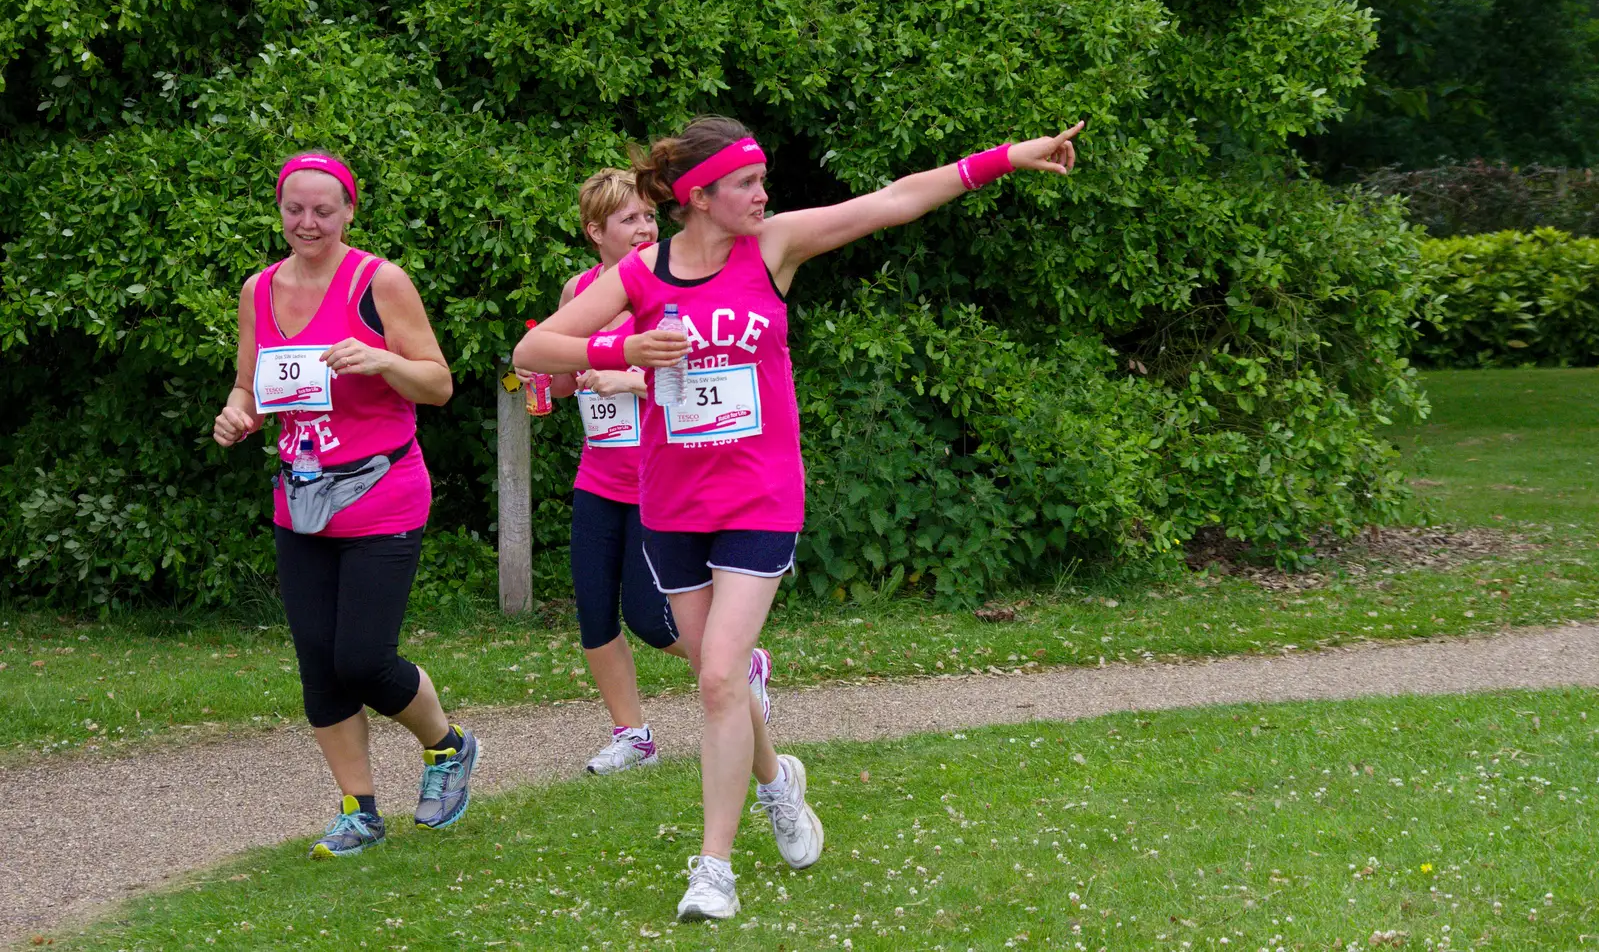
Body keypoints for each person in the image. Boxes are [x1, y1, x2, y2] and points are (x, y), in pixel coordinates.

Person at [514, 115, 1083, 921]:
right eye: (746, 182)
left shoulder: (773, 247)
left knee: (718, 674)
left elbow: (897, 200)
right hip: (673, 504)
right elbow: (534, 351)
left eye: (761, 179)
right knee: (715, 674)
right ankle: (779, 783)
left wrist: (1006, 159)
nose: (763, 192)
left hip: (759, 498)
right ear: (700, 196)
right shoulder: (643, 275)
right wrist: (622, 353)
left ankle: (712, 869)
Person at [212, 150, 480, 859]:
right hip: (301, 498)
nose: (308, 223)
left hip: (382, 491)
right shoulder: (258, 289)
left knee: (362, 659)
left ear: (349, 211)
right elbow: (251, 387)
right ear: (280, 210)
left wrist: (381, 360)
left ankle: (447, 746)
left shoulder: (378, 281)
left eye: (323, 210)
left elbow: (438, 384)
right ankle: (359, 811)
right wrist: (237, 415)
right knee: (318, 666)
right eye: (294, 209)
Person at [522, 168, 775, 775]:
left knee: (645, 611)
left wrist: (626, 378)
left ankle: (741, 665)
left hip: (655, 476)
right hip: (598, 473)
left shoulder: (669, 286)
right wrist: (550, 380)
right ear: (595, 232)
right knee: (593, 613)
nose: (643, 229)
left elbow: (692, 377)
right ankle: (632, 734)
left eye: (648, 217)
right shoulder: (579, 290)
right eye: (628, 219)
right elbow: (560, 381)